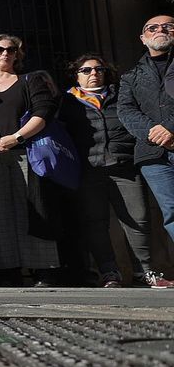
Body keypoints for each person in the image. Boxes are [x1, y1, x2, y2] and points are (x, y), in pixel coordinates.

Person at [0, 33, 64, 286]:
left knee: (33, 210)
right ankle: (7, 270)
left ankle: (43, 270)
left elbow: (44, 112)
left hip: (26, 153)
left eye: (11, 50)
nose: (5, 54)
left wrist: (17, 137)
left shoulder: (30, 81)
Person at [61, 53, 161, 288]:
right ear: (76, 75)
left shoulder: (123, 96)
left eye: (99, 70)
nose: (93, 74)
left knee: (138, 219)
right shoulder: (66, 102)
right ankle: (109, 273)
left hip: (124, 166)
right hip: (88, 169)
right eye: (86, 70)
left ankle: (144, 273)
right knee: (95, 221)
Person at [116, 14, 174, 288]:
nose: (160, 30)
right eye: (153, 27)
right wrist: (156, 133)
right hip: (153, 156)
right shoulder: (131, 76)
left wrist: (170, 129)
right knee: (171, 211)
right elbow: (126, 111)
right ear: (143, 38)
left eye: (168, 26)